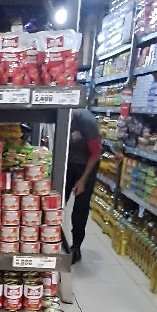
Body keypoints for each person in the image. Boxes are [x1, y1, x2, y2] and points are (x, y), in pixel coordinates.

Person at [64, 108, 102, 264]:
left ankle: (76, 247)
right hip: (68, 164)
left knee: (80, 208)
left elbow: (96, 152)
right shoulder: (60, 116)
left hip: (86, 166)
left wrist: (83, 180)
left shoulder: (86, 121)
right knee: (58, 202)